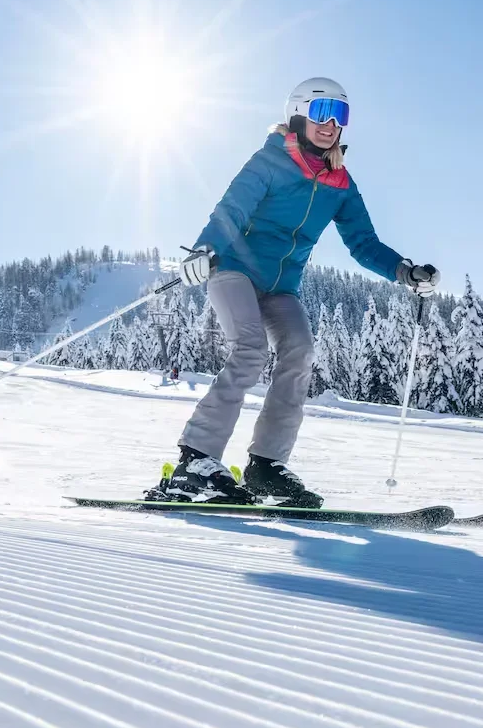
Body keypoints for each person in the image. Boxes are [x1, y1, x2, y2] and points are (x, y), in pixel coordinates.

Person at [157, 77, 438, 506]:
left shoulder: (340, 183)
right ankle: (195, 460)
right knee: (250, 349)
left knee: (300, 351)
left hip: (282, 287)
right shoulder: (270, 161)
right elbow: (231, 210)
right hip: (232, 269)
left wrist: (404, 271)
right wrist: (204, 249)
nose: (330, 124)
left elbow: (362, 242)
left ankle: (266, 466)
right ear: (297, 115)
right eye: (321, 112)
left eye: (340, 115)